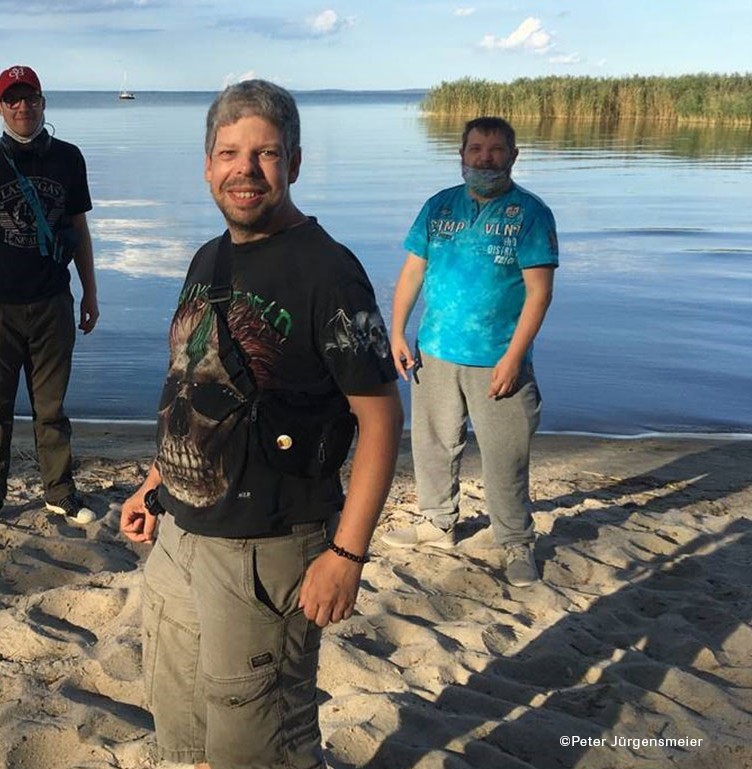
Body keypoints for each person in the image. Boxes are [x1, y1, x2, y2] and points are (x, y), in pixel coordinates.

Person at [119, 80, 402, 769]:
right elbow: (191, 386)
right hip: (182, 536)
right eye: (229, 153)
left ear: (294, 164)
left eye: (266, 153)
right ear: (208, 166)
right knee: (188, 729)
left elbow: (382, 419)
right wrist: (153, 485)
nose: (245, 169)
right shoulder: (207, 259)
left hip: (266, 552)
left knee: (262, 742)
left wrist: (347, 554)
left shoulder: (329, 274)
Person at [379, 116, 558, 588]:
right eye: (476, 149)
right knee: (433, 445)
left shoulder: (531, 214)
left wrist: (515, 356)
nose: (485, 158)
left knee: (505, 455)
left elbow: (539, 293)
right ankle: (438, 525)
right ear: (461, 156)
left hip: (498, 357)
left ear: (513, 156)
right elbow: (413, 272)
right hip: (434, 350)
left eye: (496, 150)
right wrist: (397, 332)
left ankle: (516, 541)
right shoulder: (439, 207)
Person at [0, 65, 100, 529]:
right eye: (12, 99)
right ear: (0, 107)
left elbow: (80, 231)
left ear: (43, 103)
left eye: (29, 98)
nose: (22, 107)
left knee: (51, 407)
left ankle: (60, 492)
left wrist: (90, 290)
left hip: (53, 301)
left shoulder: (70, 159)